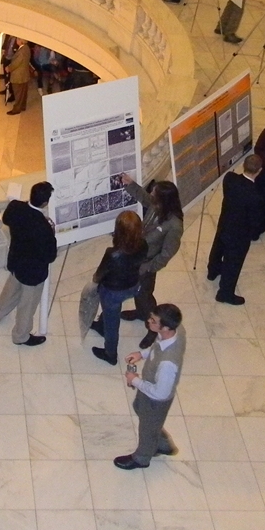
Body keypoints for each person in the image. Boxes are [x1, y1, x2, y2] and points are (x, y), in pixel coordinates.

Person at [114, 304, 186, 470]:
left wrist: (135, 380)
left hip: (155, 400)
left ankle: (142, 458)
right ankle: (163, 443)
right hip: (149, 388)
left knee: (147, 428)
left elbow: (160, 393)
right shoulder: (173, 332)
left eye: (153, 320)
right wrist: (142, 354)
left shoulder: (168, 363)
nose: (148, 321)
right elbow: (157, 348)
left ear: (166, 327)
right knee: (139, 407)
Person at [120, 178, 184, 347]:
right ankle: (141, 313)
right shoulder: (158, 205)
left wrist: (148, 268)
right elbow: (145, 198)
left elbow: (167, 253)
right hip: (137, 256)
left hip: (147, 264)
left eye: (155, 194)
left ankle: (152, 329)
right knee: (137, 291)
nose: (152, 196)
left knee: (145, 294)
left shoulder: (174, 225)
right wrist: (130, 184)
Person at [0, 182, 57, 346]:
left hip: (15, 261)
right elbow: (50, 256)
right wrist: (52, 234)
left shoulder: (15, 207)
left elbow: (6, 219)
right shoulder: (43, 227)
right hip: (33, 273)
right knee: (27, 305)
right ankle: (21, 336)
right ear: (45, 203)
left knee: (11, 289)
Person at [91, 211, 147, 365]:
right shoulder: (143, 244)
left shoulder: (113, 254)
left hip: (112, 291)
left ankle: (110, 354)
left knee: (112, 324)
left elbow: (100, 274)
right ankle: (101, 324)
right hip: (133, 285)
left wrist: (95, 280)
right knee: (109, 312)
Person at [207, 153, 264, 304]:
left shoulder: (229, 179)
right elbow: (255, 221)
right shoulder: (256, 196)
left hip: (224, 223)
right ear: (259, 170)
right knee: (233, 263)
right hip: (239, 234)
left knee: (217, 249)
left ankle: (212, 271)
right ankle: (225, 293)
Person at [5, 38, 34, 115]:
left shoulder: (21, 51)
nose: (16, 41)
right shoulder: (27, 48)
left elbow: (16, 63)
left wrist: (9, 68)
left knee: (18, 93)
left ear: (21, 41)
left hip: (18, 75)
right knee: (23, 93)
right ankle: (22, 106)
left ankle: (17, 109)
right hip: (24, 74)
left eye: (18, 39)